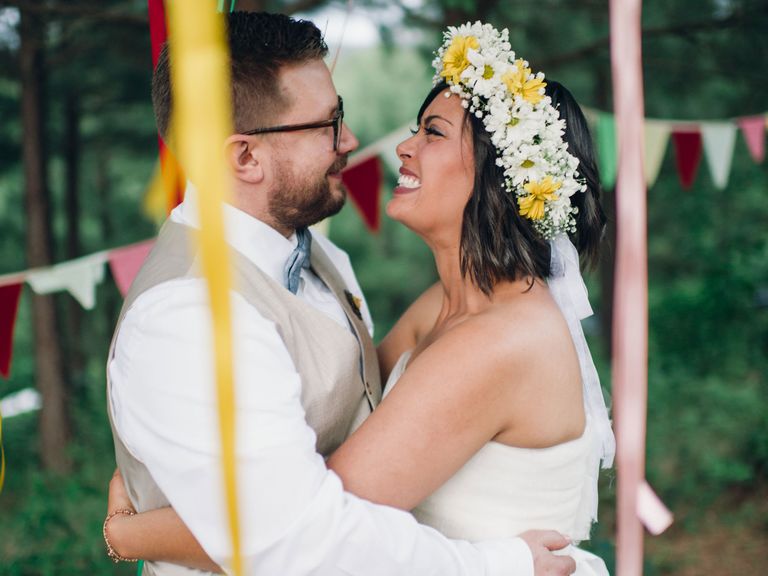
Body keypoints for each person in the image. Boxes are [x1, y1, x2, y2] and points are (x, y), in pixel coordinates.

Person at [105, 12, 575, 576]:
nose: (351, 141)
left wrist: (130, 533)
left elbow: (357, 427)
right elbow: (299, 544)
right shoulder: (189, 317)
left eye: (342, 115)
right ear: (244, 157)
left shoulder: (327, 261)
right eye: (327, 124)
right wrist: (501, 564)